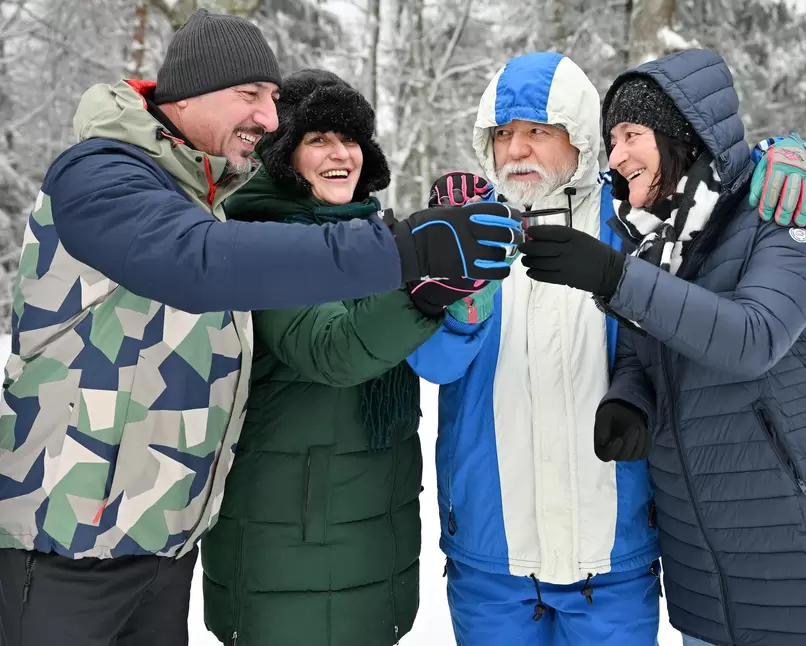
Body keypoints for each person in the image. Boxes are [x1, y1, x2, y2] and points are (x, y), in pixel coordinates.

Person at [0, 10, 523, 646]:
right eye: (251, 95)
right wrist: (403, 252)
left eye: (274, 101)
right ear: (188, 90)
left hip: (160, 546)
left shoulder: (205, 195)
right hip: (66, 542)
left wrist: (439, 285)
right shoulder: (101, 175)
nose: (269, 119)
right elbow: (199, 262)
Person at [408, 51, 806, 646]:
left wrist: (800, 160)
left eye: (538, 131)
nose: (516, 150)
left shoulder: (637, 227)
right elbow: (437, 366)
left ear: (578, 138)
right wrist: (452, 299)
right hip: (492, 551)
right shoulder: (468, 232)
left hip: (614, 554)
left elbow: (729, 256)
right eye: (502, 134)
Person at [200, 69, 476, 646]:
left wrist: (467, 264)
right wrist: (420, 288)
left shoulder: (372, 238)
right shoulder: (261, 238)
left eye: (350, 139)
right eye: (318, 139)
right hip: (289, 549)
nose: (341, 154)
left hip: (375, 540)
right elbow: (334, 350)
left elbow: (433, 354)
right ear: (282, 153)